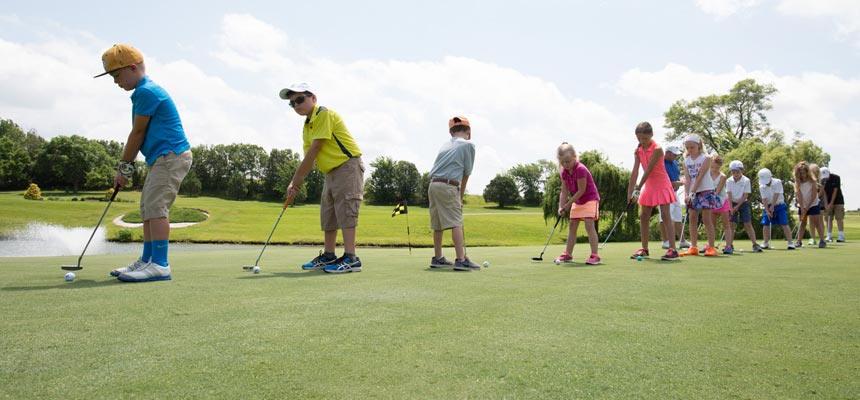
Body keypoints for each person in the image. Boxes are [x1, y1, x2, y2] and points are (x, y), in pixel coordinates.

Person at [95, 44, 193, 282]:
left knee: (156, 207)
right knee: (148, 208)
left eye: (116, 75)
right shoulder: (144, 91)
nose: (115, 81)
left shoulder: (146, 92)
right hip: (162, 157)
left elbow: (137, 134)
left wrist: (124, 169)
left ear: (132, 68)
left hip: (171, 155)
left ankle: (159, 264)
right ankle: (148, 260)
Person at [280, 82, 365, 273]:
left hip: (347, 165)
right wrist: (295, 183)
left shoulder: (323, 114)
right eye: (291, 103)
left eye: (299, 99)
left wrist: (296, 181)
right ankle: (329, 255)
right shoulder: (307, 125)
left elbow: (315, 149)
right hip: (330, 171)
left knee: (346, 209)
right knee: (329, 213)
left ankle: (351, 258)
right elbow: (308, 158)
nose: (296, 105)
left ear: (313, 98)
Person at [427, 116, 480, 271]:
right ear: (468, 131)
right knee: (456, 222)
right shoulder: (468, 145)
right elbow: (466, 173)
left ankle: (438, 258)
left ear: (451, 132)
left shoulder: (444, 145)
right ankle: (461, 259)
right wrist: (460, 196)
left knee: (438, 224)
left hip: (433, 185)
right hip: (448, 185)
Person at [627, 122, 679, 261]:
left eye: (644, 138)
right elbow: (635, 171)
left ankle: (672, 249)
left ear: (651, 135)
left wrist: (638, 189)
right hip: (649, 185)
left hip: (661, 183)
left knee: (666, 215)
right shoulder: (638, 150)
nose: (642, 142)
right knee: (644, 216)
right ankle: (644, 249)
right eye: (639, 139)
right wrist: (630, 191)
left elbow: (649, 170)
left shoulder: (658, 149)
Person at [554, 142, 601, 265]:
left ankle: (595, 255)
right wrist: (561, 206)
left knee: (589, 225)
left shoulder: (580, 169)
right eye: (563, 162)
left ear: (574, 156)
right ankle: (568, 254)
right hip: (578, 200)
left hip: (590, 198)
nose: (566, 164)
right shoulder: (564, 172)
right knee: (572, 225)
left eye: (568, 161)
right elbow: (564, 191)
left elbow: (581, 190)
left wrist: (568, 205)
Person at [681, 134, 718, 257]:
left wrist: (693, 191)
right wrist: (687, 194)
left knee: (706, 218)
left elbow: (700, 176)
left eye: (692, 147)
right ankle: (693, 246)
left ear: (699, 145)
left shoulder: (706, 158)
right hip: (693, 191)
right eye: (688, 148)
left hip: (706, 189)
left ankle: (711, 247)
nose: (690, 150)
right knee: (692, 218)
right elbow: (687, 179)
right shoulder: (686, 161)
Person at [725, 160, 762, 252]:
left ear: (742, 171)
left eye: (738, 172)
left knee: (747, 223)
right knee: (731, 225)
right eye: (733, 172)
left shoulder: (746, 180)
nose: (736, 174)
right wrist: (730, 207)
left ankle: (755, 244)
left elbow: (746, 195)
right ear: (731, 172)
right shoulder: (728, 181)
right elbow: (729, 195)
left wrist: (737, 207)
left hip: (743, 203)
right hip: (731, 203)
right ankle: (729, 245)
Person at [659, 145, 690, 249]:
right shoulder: (661, 163)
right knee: (664, 216)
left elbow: (676, 176)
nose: (675, 157)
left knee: (678, 215)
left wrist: (679, 181)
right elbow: (664, 181)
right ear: (667, 153)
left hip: (675, 192)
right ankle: (665, 241)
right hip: (664, 192)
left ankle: (682, 240)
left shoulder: (674, 162)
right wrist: (678, 183)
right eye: (674, 155)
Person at [758, 168, 795, 250]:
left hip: (780, 205)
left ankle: (790, 243)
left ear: (771, 176)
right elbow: (764, 199)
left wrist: (772, 206)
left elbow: (776, 194)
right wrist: (767, 210)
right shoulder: (762, 186)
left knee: (784, 223)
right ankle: (765, 243)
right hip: (768, 206)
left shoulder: (777, 182)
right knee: (766, 223)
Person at [793, 161, 826, 248]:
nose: (803, 175)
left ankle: (822, 240)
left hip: (813, 204)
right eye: (800, 173)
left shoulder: (812, 181)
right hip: (802, 206)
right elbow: (798, 195)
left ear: (807, 172)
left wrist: (807, 207)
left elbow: (814, 195)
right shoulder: (797, 183)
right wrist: (802, 206)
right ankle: (799, 241)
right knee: (802, 223)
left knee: (817, 223)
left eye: (804, 173)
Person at [709, 155, 733, 254]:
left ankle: (728, 246)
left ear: (720, 166)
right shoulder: (707, 175)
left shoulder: (722, 176)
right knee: (711, 225)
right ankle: (711, 246)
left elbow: (717, 191)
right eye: (712, 167)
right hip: (711, 203)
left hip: (722, 202)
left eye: (717, 167)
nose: (714, 169)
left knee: (726, 225)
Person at [821, 167, 846, 242]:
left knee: (839, 218)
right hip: (827, 202)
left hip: (838, 201)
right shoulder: (822, 180)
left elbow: (835, 191)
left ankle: (841, 236)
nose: (826, 178)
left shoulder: (836, 178)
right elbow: (823, 192)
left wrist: (831, 203)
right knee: (828, 219)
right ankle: (829, 236)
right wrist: (826, 204)